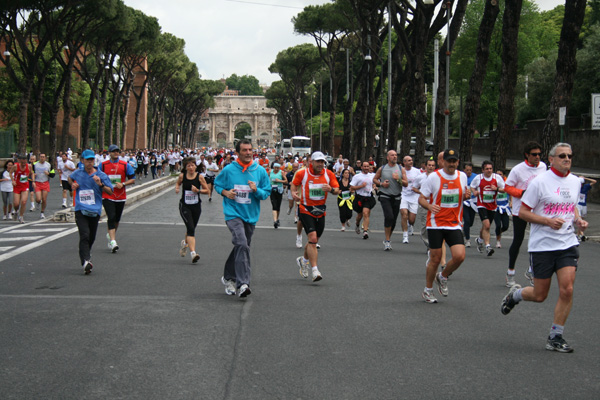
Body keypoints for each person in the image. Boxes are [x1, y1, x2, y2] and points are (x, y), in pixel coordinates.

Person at [501, 143, 586, 353]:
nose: (567, 159)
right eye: (562, 156)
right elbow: (522, 212)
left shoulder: (575, 182)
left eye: (570, 156)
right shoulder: (540, 182)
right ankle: (516, 295)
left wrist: (578, 220)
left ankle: (555, 336)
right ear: (551, 159)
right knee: (540, 295)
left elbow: (571, 206)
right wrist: (547, 221)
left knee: (567, 289)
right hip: (543, 246)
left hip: (567, 243)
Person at [214, 140, 271, 297]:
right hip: (232, 213)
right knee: (241, 243)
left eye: (250, 149)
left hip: (250, 215)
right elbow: (217, 185)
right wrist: (226, 193)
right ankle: (244, 283)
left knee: (242, 247)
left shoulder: (259, 171)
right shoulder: (229, 170)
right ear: (237, 152)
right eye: (244, 150)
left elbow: (266, 192)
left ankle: (228, 277)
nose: (248, 152)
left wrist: (256, 190)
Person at [418, 149, 470, 303]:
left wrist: (467, 196)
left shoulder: (462, 176)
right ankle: (428, 290)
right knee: (435, 258)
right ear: (443, 162)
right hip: (435, 223)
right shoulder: (434, 177)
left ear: (458, 162)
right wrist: (429, 206)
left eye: (454, 161)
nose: (452, 164)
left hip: (454, 223)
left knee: (460, 256)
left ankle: (443, 276)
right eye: (449, 161)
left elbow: (463, 195)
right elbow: (422, 198)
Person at [291, 151, 340, 282]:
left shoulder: (329, 174)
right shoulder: (303, 173)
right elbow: (294, 183)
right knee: (312, 238)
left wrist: (331, 189)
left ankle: (304, 260)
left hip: (320, 211)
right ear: (311, 162)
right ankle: (315, 270)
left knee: (313, 241)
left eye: (322, 161)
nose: (320, 164)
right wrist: (294, 193)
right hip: (305, 209)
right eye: (318, 161)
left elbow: (337, 190)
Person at [504, 141, 547, 287]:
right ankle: (510, 273)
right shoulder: (517, 170)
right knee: (518, 240)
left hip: (537, 210)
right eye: (534, 154)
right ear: (526, 155)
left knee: (537, 240)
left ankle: (531, 271)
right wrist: (521, 193)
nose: (537, 157)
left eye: (539, 154)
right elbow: (507, 187)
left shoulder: (543, 167)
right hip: (520, 211)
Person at [69, 149, 114, 274]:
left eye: (91, 160)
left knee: (91, 237)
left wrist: (100, 185)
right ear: (82, 160)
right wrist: (73, 184)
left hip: (95, 210)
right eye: (87, 160)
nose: (90, 162)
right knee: (84, 234)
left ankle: (86, 255)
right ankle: (86, 261)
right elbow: (69, 178)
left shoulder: (101, 175)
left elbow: (110, 191)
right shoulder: (78, 173)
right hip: (80, 209)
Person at [100, 144, 136, 253]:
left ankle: (111, 234)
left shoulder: (125, 165)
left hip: (120, 196)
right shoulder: (103, 165)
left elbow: (132, 179)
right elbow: (97, 176)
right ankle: (113, 241)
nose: (116, 153)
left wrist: (123, 183)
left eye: (117, 151)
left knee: (116, 219)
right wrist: (102, 185)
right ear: (109, 153)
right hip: (108, 195)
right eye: (113, 151)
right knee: (111, 217)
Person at [176, 157, 209, 263]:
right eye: (188, 166)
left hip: (196, 206)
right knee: (190, 228)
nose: (191, 167)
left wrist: (198, 190)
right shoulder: (182, 176)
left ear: (195, 166)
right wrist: (177, 188)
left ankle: (185, 243)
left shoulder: (200, 177)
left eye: (192, 165)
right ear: (185, 167)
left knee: (191, 228)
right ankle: (193, 253)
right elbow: (178, 183)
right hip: (184, 206)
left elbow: (207, 190)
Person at [373, 150, 407, 250]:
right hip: (385, 195)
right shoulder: (382, 168)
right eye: (392, 155)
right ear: (388, 157)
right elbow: (374, 179)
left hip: (396, 196)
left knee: (393, 220)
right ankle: (387, 241)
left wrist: (398, 179)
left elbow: (406, 183)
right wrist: (382, 184)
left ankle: (387, 238)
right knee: (389, 216)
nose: (395, 157)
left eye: (396, 155)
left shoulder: (401, 169)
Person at [470, 160, 505, 257]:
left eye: (490, 169)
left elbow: (504, 189)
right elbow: (472, 187)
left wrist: (497, 189)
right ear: (483, 170)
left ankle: (479, 240)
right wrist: (475, 192)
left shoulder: (497, 178)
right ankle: (488, 247)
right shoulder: (479, 178)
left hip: (492, 206)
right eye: (487, 169)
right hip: (482, 204)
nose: (489, 171)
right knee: (487, 225)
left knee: (485, 226)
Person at [350, 161, 376, 239]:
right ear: (361, 167)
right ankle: (357, 224)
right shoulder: (357, 177)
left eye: (367, 166)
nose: (366, 168)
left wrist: (374, 186)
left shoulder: (372, 176)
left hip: (368, 197)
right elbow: (352, 187)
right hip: (359, 197)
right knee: (360, 215)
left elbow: (375, 183)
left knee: (365, 213)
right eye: (364, 166)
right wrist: (361, 186)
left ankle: (365, 231)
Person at [399, 155, 421, 244]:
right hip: (403, 195)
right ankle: (405, 236)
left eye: (411, 160)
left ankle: (410, 225)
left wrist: (418, 189)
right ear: (404, 162)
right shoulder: (401, 171)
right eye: (408, 160)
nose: (411, 162)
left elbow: (422, 181)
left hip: (414, 196)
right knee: (404, 214)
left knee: (411, 220)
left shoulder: (417, 171)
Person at [10, 154, 31, 224]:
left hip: (25, 186)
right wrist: (13, 180)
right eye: (22, 163)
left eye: (25, 163)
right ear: (19, 161)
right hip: (17, 186)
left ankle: (21, 216)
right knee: (16, 203)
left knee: (23, 202)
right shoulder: (16, 166)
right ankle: (16, 211)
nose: (24, 164)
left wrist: (32, 179)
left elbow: (31, 173)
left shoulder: (29, 166)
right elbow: (10, 173)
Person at [33, 153, 54, 219]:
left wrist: (48, 174)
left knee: (44, 199)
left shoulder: (48, 165)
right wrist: (33, 178)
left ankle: (42, 212)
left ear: (45, 158)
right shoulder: (35, 164)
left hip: (45, 182)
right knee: (39, 198)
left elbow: (53, 175)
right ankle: (38, 202)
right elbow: (31, 173)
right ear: (39, 157)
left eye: (43, 157)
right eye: (41, 157)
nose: (42, 158)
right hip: (37, 182)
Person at [493, 169, 511, 248]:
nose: (498, 176)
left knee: (506, 226)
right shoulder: (493, 183)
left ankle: (499, 232)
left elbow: (510, 193)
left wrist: (511, 202)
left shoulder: (507, 184)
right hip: (496, 208)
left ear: (503, 175)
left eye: (500, 174)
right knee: (498, 225)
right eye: (497, 174)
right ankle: (498, 241)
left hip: (505, 207)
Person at [461, 162, 477, 247]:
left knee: (470, 222)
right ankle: (467, 239)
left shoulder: (476, 177)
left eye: (470, 170)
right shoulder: (461, 177)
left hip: (473, 202)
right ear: (464, 170)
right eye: (467, 170)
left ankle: (464, 229)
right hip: (464, 202)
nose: (469, 172)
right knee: (466, 220)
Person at [576, 175, 596, 241]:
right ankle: (582, 235)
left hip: (584, 205)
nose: (580, 185)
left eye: (581, 183)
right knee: (580, 219)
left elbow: (594, 181)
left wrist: (585, 178)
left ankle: (578, 235)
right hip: (577, 205)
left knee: (582, 219)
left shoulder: (586, 187)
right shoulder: (575, 187)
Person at [269, 163, 287, 228]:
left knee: (278, 206)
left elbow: (286, 181)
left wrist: (279, 180)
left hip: (279, 190)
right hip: (272, 190)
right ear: (273, 167)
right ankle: (275, 221)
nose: (276, 169)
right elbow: (266, 178)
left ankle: (277, 218)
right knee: (274, 205)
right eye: (275, 167)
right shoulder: (270, 171)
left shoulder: (281, 172)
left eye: (278, 168)